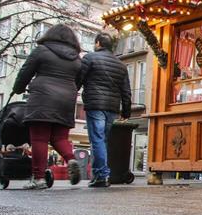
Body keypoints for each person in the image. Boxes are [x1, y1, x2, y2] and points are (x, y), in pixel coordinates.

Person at [12, 24, 83, 189]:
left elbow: (25, 71)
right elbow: (78, 80)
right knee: (60, 138)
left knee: (39, 139)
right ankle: (71, 159)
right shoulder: (76, 58)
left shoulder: (41, 51)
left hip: (42, 97)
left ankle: (38, 178)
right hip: (66, 100)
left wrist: (18, 88)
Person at [77, 32, 131, 187]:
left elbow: (79, 79)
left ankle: (102, 174)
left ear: (98, 43)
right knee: (103, 140)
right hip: (112, 108)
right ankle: (99, 174)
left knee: (97, 140)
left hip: (95, 105)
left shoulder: (89, 58)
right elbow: (126, 91)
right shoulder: (120, 65)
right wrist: (126, 111)